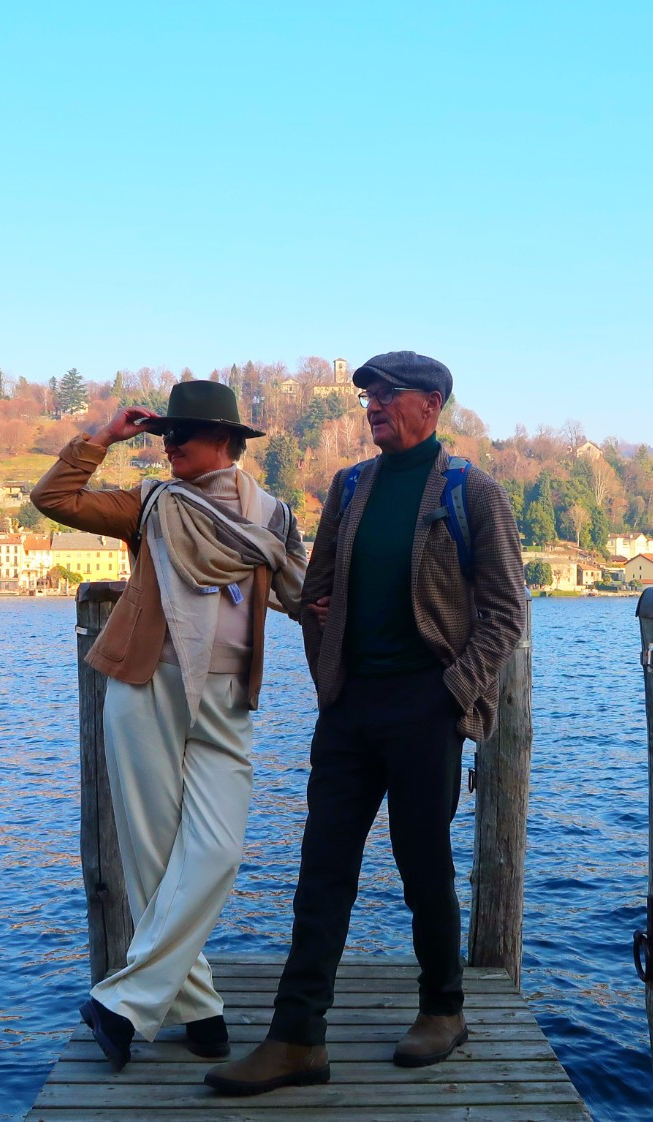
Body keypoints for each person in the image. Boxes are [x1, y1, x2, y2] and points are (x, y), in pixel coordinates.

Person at [205, 351, 526, 1094]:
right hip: (350, 709)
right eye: (369, 397)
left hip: (427, 706)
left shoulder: (471, 493)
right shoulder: (349, 488)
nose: (373, 406)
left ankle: (444, 1009)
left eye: (388, 395)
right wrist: (325, 664)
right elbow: (313, 590)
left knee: (423, 867)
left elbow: (507, 611)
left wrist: (455, 692)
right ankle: (296, 1037)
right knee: (322, 871)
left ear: (432, 405)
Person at [30, 378, 306, 1070]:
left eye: (183, 434)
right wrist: (103, 438)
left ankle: (122, 1004)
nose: (171, 444)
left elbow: (307, 594)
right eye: (164, 434)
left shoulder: (271, 516)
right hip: (146, 681)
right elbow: (53, 500)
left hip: (228, 694)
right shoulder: (151, 502)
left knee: (216, 849)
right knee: (152, 854)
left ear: (226, 441)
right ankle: (200, 1007)